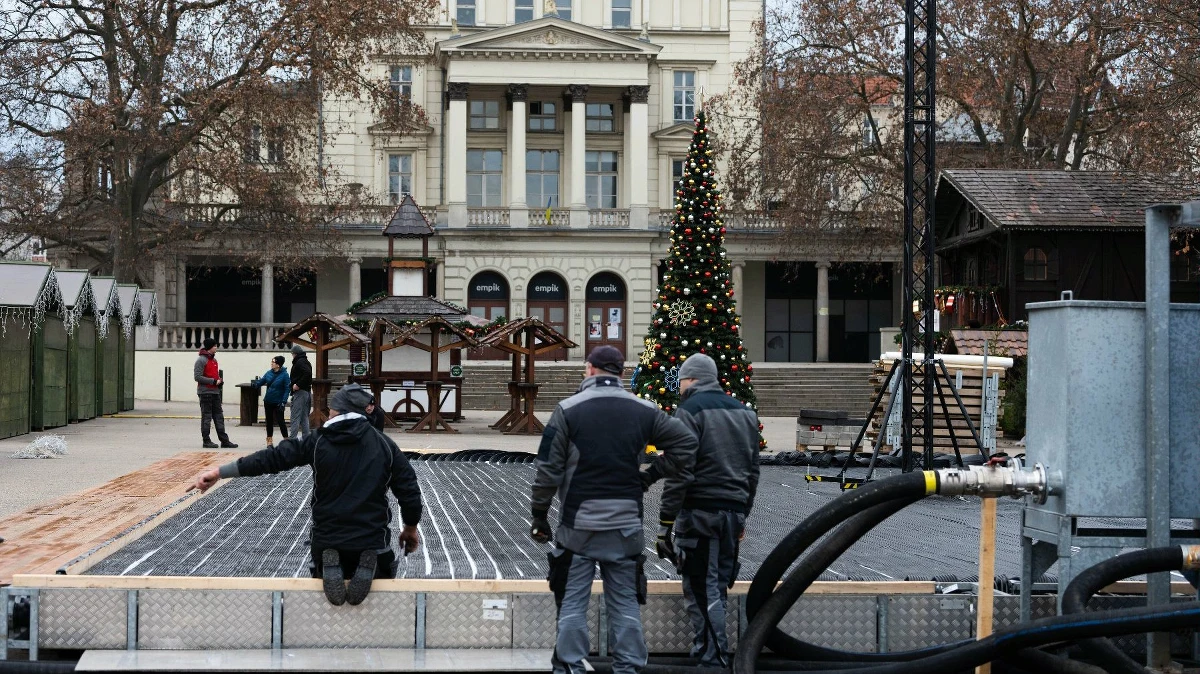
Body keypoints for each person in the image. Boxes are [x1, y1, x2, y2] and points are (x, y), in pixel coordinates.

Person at [531, 345, 698, 674]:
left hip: (577, 526)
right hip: (625, 527)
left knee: (573, 602)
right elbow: (687, 444)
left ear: (590, 370)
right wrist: (649, 477)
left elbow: (548, 470)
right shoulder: (643, 410)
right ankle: (629, 668)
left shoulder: (567, 409)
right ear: (621, 373)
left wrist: (538, 514)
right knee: (624, 604)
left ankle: (570, 667)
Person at [189, 383, 422, 606]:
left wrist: (220, 472)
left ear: (336, 411)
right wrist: (410, 528)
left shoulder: (317, 441)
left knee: (325, 554)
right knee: (382, 560)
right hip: (372, 537)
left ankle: (329, 562)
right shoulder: (384, 445)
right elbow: (409, 489)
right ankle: (370, 562)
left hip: (327, 536)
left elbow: (272, 459)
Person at [649, 353, 761, 668]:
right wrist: (742, 515)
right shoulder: (745, 414)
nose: (679, 386)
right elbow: (753, 472)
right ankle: (709, 652)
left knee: (703, 589)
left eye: (682, 379)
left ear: (692, 379)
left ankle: (713, 660)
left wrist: (664, 526)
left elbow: (680, 472)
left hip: (700, 515)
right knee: (717, 585)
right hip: (731, 513)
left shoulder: (689, 412)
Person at [193, 338, 237, 449]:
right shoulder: (201, 360)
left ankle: (224, 441)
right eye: (215, 346)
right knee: (207, 417)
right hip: (205, 392)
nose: (216, 347)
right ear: (210, 347)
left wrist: (219, 381)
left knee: (219, 416)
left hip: (215, 392)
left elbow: (213, 375)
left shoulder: (214, 360)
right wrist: (213, 381)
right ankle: (206, 440)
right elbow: (197, 377)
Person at [258, 356, 291, 447]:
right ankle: (269, 440)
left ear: (278, 365)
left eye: (273, 362)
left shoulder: (285, 375)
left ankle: (286, 440)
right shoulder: (269, 373)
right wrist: (256, 384)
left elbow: (287, 389)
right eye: (271, 362)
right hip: (268, 400)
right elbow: (262, 381)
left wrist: (284, 401)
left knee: (281, 421)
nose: (271, 364)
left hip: (278, 402)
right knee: (269, 421)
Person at [289, 344, 313, 440]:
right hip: (307, 392)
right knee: (304, 418)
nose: (292, 356)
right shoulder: (306, 361)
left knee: (295, 416)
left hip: (300, 392)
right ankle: (307, 440)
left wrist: (298, 384)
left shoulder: (300, 362)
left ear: (295, 354)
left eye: (292, 354)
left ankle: (292, 440)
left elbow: (307, 373)